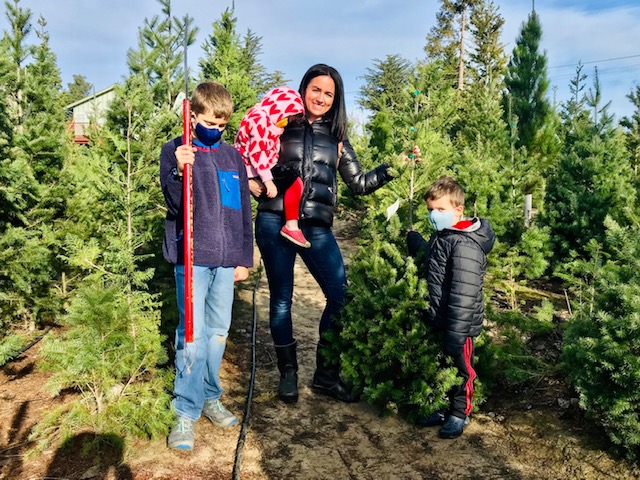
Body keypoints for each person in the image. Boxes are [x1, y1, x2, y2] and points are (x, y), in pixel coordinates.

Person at [249, 63, 393, 404]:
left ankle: (326, 376)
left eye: (329, 94)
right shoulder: (281, 123)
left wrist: (391, 169)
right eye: (316, 89)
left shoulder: (338, 138)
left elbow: (359, 184)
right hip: (273, 219)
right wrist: (251, 181)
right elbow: (250, 150)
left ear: (336, 99)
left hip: (316, 225)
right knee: (281, 298)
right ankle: (289, 374)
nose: (322, 98)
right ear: (303, 89)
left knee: (340, 295)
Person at [160, 82, 253, 450]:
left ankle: (210, 396)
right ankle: (185, 411)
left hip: (226, 262)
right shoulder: (176, 151)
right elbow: (174, 204)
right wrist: (178, 172)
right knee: (193, 334)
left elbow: (243, 211)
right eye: (210, 121)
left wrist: (244, 258)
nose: (216, 129)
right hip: (193, 258)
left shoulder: (233, 158)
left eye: (222, 124)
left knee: (217, 332)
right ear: (192, 115)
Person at [406, 176, 495, 439]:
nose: (435, 215)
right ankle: (442, 409)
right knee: (442, 367)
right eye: (431, 210)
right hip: (441, 319)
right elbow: (437, 265)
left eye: (441, 210)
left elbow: (464, 294)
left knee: (462, 369)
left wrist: (456, 334)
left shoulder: (465, 244)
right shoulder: (445, 235)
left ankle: (459, 413)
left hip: (461, 325)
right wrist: (417, 243)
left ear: (458, 210)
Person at [234, 86, 309, 248]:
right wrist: (268, 180)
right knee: (295, 182)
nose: (286, 124)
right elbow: (257, 153)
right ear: (280, 108)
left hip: (255, 168)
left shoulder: (261, 118)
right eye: (287, 119)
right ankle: (291, 226)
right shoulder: (260, 120)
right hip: (254, 168)